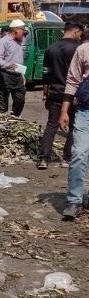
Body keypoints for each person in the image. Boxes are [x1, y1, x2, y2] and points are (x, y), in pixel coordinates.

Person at [38, 22, 83, 169]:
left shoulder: (51, 49)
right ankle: (67, 158)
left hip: (55, 92)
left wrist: (45, 94)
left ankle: (43, 158)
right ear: (76, 31)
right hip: (74, 94)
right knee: (74, 125)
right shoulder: (77, 49)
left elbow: (46, 74)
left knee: (52, 124)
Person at [58, 31, 89, 218]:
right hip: (85, 110)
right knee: (78, 154)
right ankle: (74, 200)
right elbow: (72, 81)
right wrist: (64, 111)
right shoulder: (83, 50)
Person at [0, 20, 27, 116]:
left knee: (20, 100)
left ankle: (14, 119)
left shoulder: (19, 42)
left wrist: (22, 75)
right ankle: (0, 125)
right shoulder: (3, 42)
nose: (24, 33)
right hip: (5, 75)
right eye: (23, 30)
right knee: (2, 105)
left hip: (18, 75)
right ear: (16, 30)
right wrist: (9, 64)